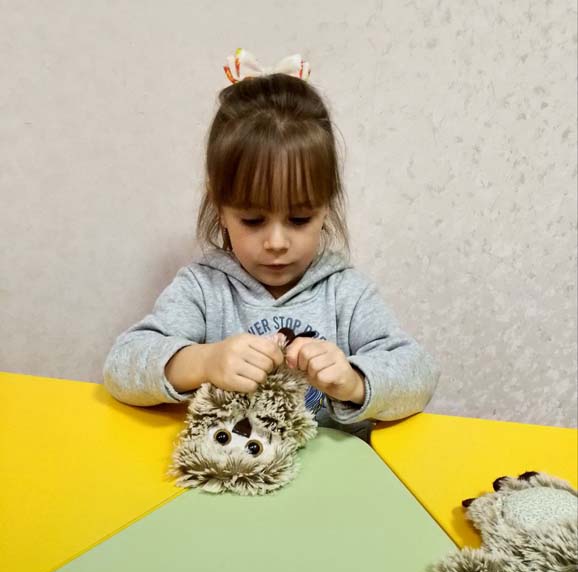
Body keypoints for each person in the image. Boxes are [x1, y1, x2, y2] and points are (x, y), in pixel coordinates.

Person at [103, 49, 440, 441]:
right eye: (252, 220)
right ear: (220, 208)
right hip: (233, 468)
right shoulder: (204, 289)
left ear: (326, 208)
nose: (276, 243)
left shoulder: (346, 292)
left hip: (332, 472)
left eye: (299, 219)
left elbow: (419, 373)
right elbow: (121, 366)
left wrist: (354, 381)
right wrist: (203, 361)